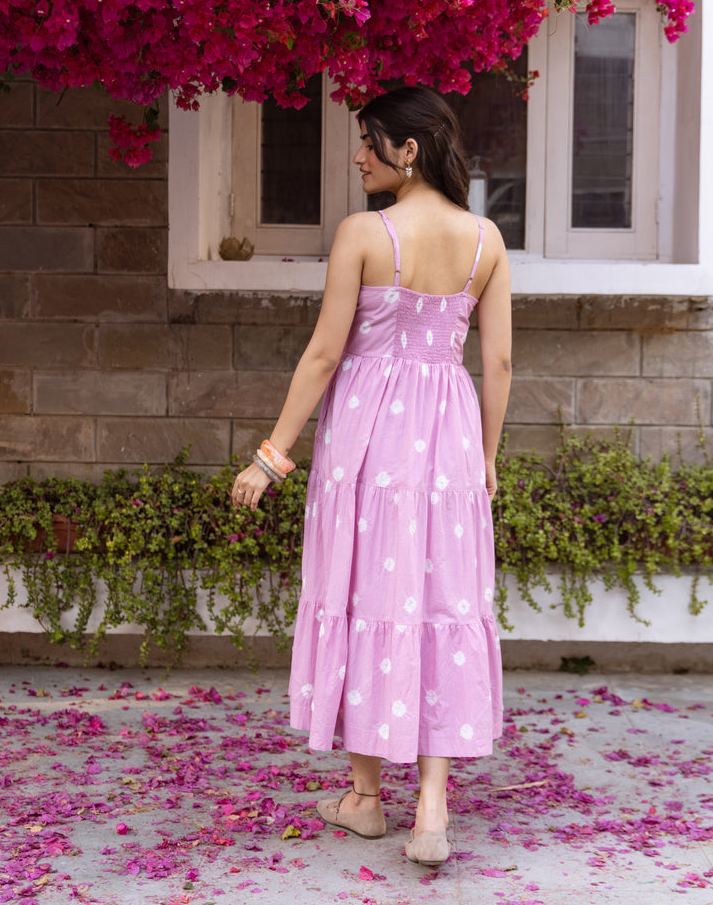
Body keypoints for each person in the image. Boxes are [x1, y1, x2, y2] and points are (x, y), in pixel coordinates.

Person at [232, 85, 512, 866]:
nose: (357, 156)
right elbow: (498, 362)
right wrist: (485, 460)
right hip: (448, 438)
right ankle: (430, 809)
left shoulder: (364, 233)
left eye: (368, 141)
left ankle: (364, 798)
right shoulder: (487, 240)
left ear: (408, 149)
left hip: (367, 440)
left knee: (364, 593)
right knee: (439, 600)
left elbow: (325, 354)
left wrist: (271, 454)